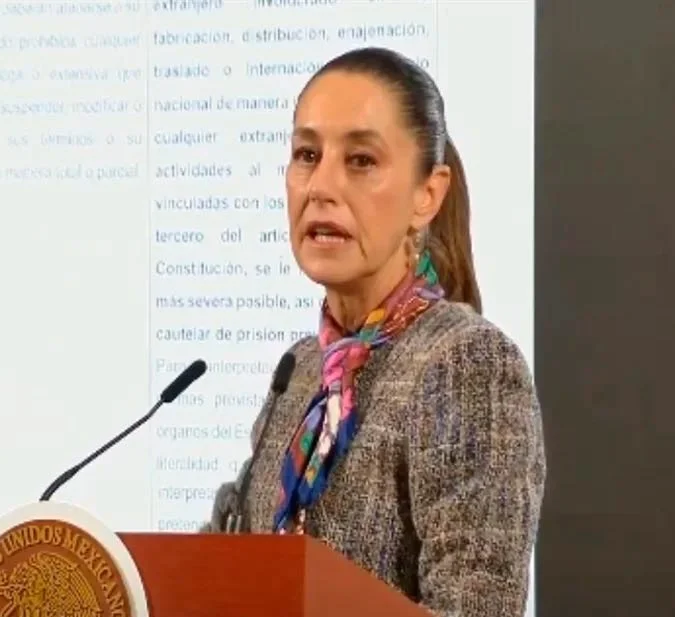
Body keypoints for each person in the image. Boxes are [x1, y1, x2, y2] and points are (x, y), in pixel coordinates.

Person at [201, 46, 546, 617]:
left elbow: (475, 605)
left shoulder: (467, 362)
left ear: (427, 194)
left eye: (360, 160)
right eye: (307, 154)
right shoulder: (301, 370)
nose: (321, 185)